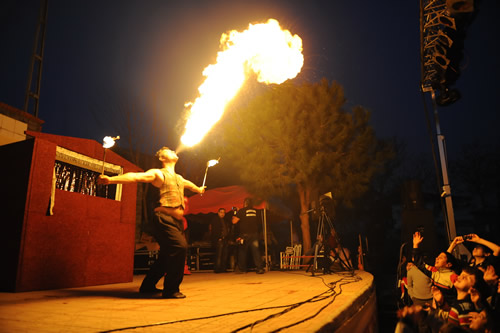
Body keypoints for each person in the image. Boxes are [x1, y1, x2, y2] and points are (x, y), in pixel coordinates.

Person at [98, 146, 205, 299]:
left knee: (167, 255)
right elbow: (135, 177)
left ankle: (148, 285)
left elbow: (192, 186)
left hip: (177, 222)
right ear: (162, 158)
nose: (173, 151)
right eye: (167, 151)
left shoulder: (180, 178)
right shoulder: (158, 174)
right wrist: (111, 179)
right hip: (164, 219)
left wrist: (200, 190)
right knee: (180, 247)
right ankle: (171, 290)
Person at [232, 197, 265, 274]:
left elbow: (234, 221)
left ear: (245, 203)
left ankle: (242, 269)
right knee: (256, 251)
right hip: (254, 234)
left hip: (244, 235)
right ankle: (260, 268)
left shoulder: (241, 211)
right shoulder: (256, 211)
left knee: (242, 251)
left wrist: (236, 213)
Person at [210, 208, 231, 273]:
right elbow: (214, 230)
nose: (222, 214)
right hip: (219, 239)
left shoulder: (225, 220)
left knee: (224, 254)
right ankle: (217, 269)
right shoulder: (215, 220)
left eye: (224, 212)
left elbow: (226, 229)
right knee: (219, 255)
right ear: (218, 212)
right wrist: (218, 238)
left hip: (225, 239)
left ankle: (223, 268)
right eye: (221, 212)